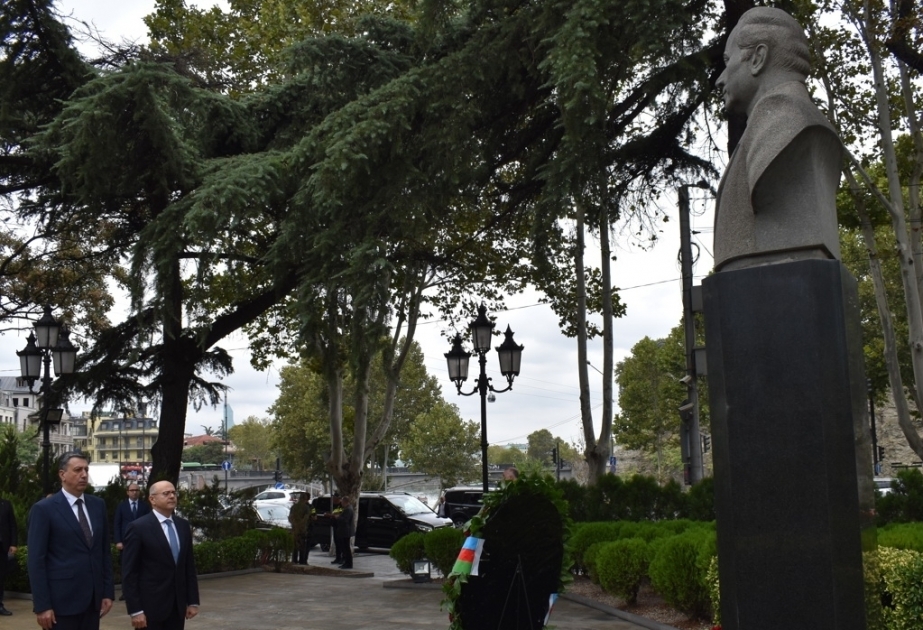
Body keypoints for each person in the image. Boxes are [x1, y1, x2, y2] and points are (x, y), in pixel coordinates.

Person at [713, 7, 842, 273]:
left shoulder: (788, 122)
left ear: (758, 57)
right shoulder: (775, 123)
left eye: (728, 62)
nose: (720, 79)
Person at [27, 452, 114, 630]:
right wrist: (42, 605)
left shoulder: (98, 505)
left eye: (86, 469)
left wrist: (107, 592)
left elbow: (103, 552)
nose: (84, 474)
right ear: (62, 474)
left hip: (92, 601)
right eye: (77, 470)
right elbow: (36, 560)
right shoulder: (44, 509)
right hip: (61, 603)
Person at [121, 480, 200, 630]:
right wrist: (135, 610)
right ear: (152, 499)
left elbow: (188, 566)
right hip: (150, 608)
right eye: (166, 493)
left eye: (173, 493)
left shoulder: (182, 525)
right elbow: (130, 573)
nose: (171, 496)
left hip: (177, 608)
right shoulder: (138, 528)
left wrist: (193, 601)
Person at [114, 483, 151, 551]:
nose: (134, 492)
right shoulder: (121, 506)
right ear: (127, 492)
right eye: (132, 490)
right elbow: (117, 524)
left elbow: (149, 523)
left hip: (142, 540)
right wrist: (118, 541)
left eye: (137, 490)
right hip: (126, 540)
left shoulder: (145, 506)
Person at [0, 492, 16, 616]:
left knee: (1, 577)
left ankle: (0, 605)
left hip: (2, 547)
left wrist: (13, 544)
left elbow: (12, 525)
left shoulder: (6, 504)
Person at [288, 492, 312, 565]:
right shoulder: (306, 507)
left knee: (295, 546)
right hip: (302, 529)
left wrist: (294, 524)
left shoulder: (294, 507)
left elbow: (290, 517)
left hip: (294, 528)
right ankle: (302, 560)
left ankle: (294, 560)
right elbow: (306, 518)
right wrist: (301, 525)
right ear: (305, 499)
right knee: (302, 546)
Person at [332, 496, 355, 570]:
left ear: (345, 502)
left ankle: (348, 563)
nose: (341, 503)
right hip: (344, 531)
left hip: (345, 531)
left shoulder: (348, 509)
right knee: (345, 548)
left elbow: (345, 520)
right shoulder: (347, 509)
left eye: (342, 502)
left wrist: (338, 517)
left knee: (346, 548)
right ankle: (346, 563)